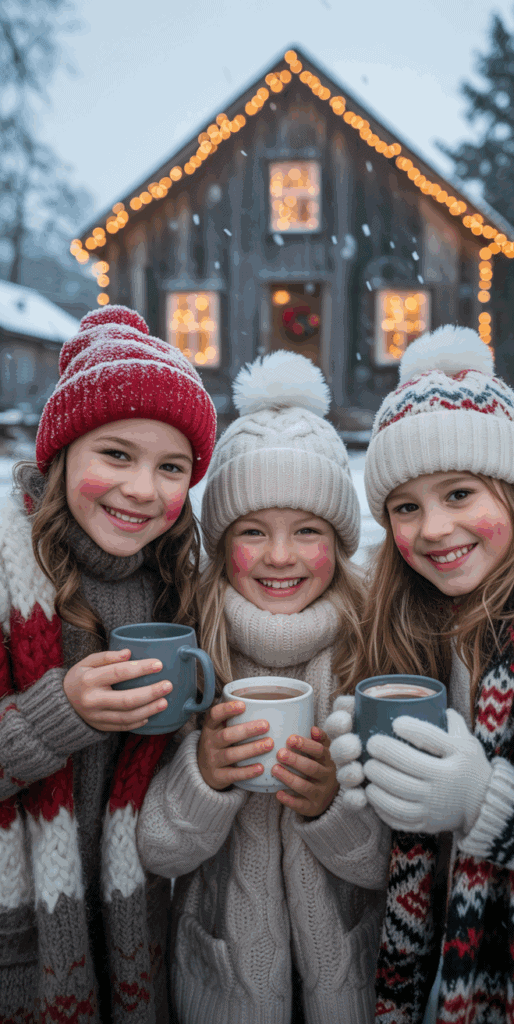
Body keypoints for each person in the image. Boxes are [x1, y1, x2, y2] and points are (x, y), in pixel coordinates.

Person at [327, 325, 514, 1023]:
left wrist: (483, 802)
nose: (433, 528)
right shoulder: (415, 622)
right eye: (407, 507)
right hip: (443, 973)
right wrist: (373, 787)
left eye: (460, 493)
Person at [136, 350, 392, 1024]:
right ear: (223, 546)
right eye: (253, 531)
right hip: (221, 983)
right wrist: (205, 778)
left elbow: (397, 864)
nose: (280, 556)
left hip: (350, 979)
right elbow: (157, 849)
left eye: (307, 530)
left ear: (338, 543)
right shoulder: (192, 652)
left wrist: (332, 809)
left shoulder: (372, 651)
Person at [0, 305, 216, 1024]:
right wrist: (60, 713)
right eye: (116, 455)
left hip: (133, 926)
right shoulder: (8, 572)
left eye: (171, 467)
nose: (142, 489)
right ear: (61, 455)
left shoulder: (177, 578)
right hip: (21, 937)